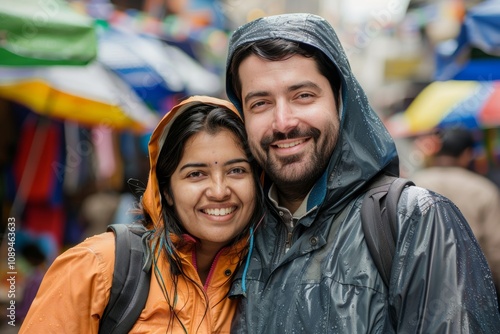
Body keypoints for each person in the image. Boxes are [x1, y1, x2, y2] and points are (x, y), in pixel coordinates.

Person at [224, 13, 500, 333]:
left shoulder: (416, 221)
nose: (283, 121)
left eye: (303, 96)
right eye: (260, 103)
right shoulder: (235, 234)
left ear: (341, 102)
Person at [19, 96, 264, 333]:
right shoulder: (96, 267)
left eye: (237, 170)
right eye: (196, 174)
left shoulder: (268, 281)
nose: (219, 191)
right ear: (165, 190)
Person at [412, 127, 500, 302]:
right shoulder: (483, 190)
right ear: (467, 154)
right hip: (473, 288)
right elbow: (495, 249)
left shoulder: (413, 185)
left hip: (423, 288)